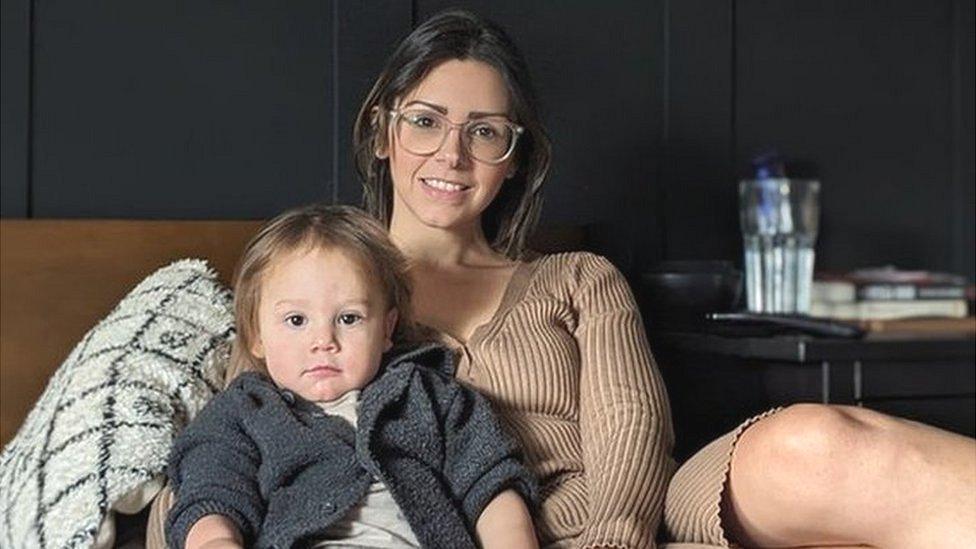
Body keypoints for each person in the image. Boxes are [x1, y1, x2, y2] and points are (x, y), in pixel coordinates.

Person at [350, 9, 976, 549]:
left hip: (637, 513)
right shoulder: (316, 294)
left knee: (818, 440)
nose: (453, 154)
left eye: (485, 131)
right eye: (425, 121)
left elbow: (631, 420)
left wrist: (618, 535)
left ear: (514, 161)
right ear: (383, 132)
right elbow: (259, 437)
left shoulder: (576, 278)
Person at [164, 204, 538, 549]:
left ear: (387, 328)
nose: (323, 341)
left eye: (349, 318)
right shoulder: (244, 412)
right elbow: (211, 492)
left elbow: (491, 484)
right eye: (296, 320)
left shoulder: (429, 395)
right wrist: (215, 541)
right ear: (257, 334)